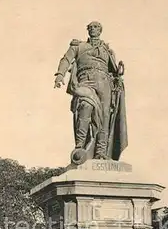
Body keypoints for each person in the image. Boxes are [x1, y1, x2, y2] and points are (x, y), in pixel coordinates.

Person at [54, 21, 127, 160]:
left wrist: (119, 71)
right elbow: (66, 59)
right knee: (85, 106)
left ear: (100, 30)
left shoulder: (107, 50)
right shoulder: (79, 46)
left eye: (97, 27)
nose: (94, 29)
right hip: (85, 80)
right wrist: (59, 75)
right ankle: (80, 147)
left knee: (105, 116)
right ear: (87, 30)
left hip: (104, 83)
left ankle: (101, 152)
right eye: (91, 27)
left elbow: (114, 72)